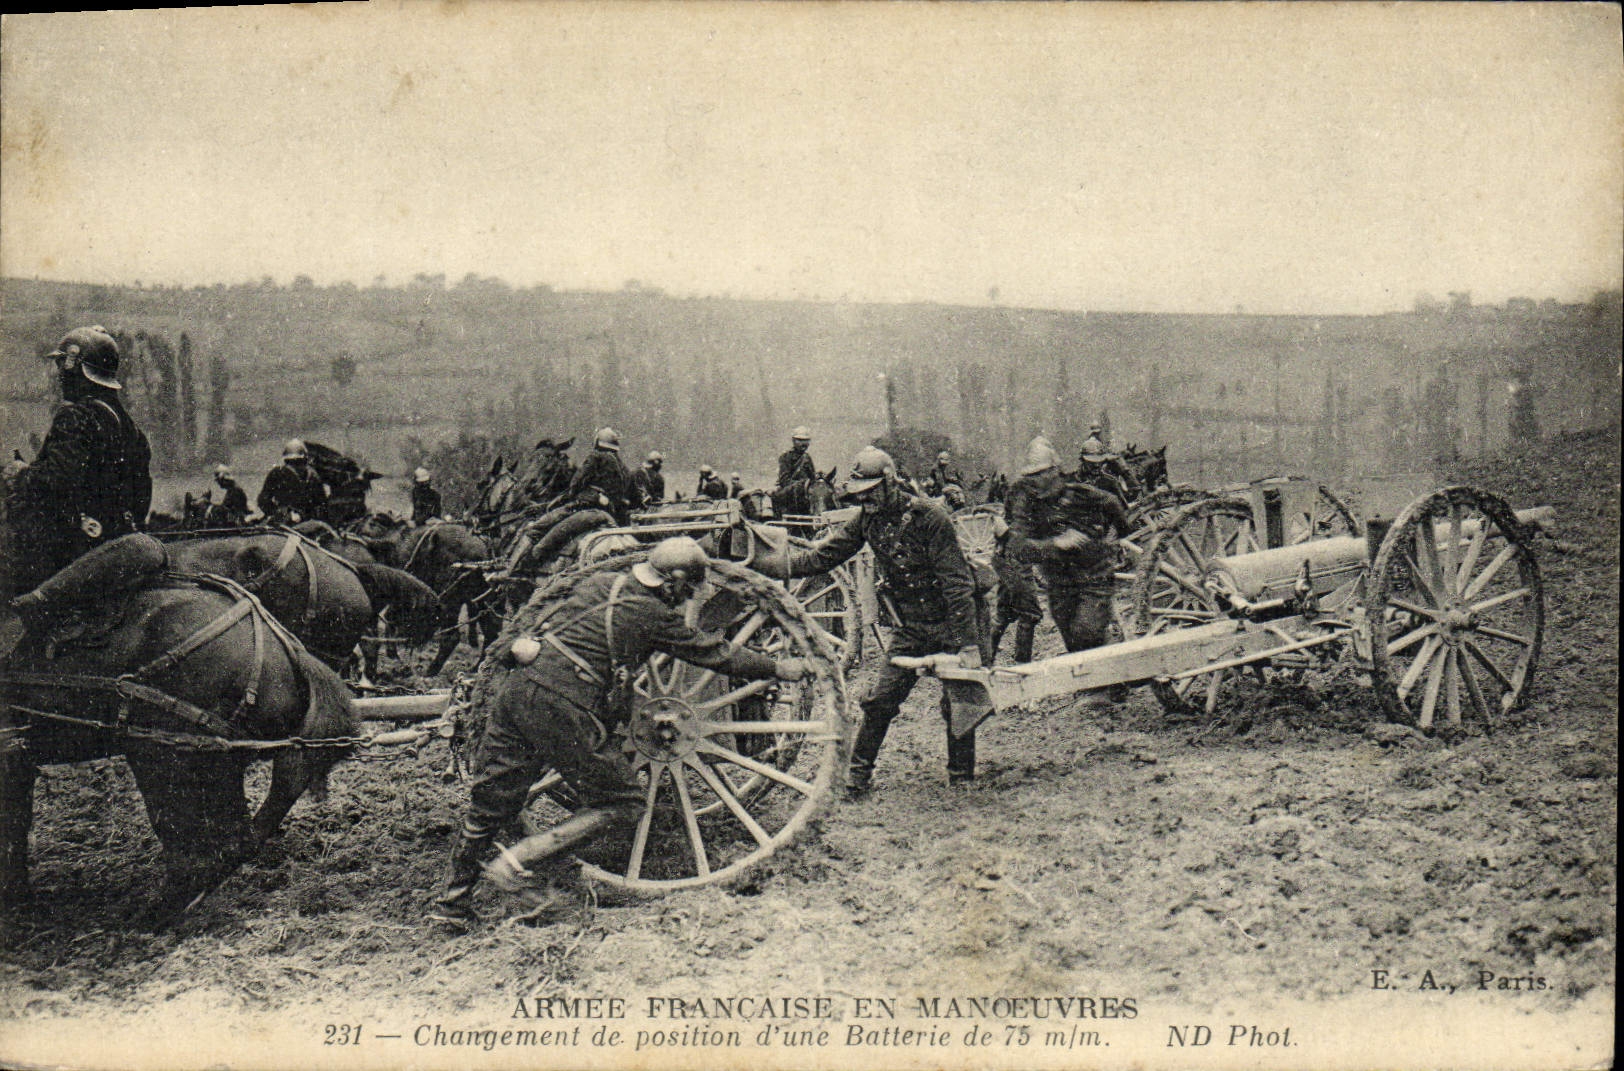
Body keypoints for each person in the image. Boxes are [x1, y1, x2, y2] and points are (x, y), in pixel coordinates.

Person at [429, 537, 808, 926]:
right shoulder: (652, 614)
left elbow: (532, 622)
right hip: (563, 706)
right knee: (623, 801)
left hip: (518, 693)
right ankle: (518, 860)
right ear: (673, 581)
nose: (687, 598)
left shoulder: (599, 582)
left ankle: (451, 904)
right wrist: (777, 668)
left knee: (491, 802)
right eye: (688, 590)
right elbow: (715, 653)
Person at [772, 447, 983, 795]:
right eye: (859, 493)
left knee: (958, 701)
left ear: (889, 483)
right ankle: (856, 778)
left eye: (870, 492)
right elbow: (825, 555)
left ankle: (961, 777)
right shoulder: (867, 519)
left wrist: (969, 645)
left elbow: (957, 584)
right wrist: (776, 565)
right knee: (880, 700)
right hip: (910, 627)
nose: (864, 499)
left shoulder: (930, 517)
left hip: (951, 621)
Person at [3, 326, 153, 602]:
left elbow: (59, 479)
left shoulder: (75, 416)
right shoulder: (129, 426)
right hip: (119, 541)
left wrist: (24, 474)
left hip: (71, 546)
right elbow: (142, 491)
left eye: (63, 366)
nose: (60, 376)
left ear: (78, 368)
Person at [1005, 436, 1131, 693]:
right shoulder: (1026, 505)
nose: (1037, 481)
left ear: (1055, 471)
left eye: (1043, 473)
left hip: (1094, 576)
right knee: (1069, 633)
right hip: (1058, 581)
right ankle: (1099, 684)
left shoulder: (1077, 491)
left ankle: (1116, 681)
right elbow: (1018, 548)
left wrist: (1120, 535)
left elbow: (1112, 502)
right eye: (1032, 475)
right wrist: (1057, 545)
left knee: (1087, 630)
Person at [988, 512, 1042, 665]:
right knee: (1030, 614)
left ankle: (985, 657)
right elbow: (1001, 526)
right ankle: (1022, 663)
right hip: (1014, 559)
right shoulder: (1023, 495)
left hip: (1008, 557)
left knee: (1003, 613)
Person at [567, 427, 640, 524]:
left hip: (594, 514)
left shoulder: (594, 458)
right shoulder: (624, 467)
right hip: (619, 519)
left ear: (597, 442)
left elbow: (575, 484)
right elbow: (636, 499)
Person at [257, 439, 325, 525]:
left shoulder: (278, 473)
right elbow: (263, 501)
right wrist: (284, 514)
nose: (296, 466)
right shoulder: (313, 475)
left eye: (298, 462)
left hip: (298, 522)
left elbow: (263, 501)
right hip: (293, 521)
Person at [775, 426, 816, 492]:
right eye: (800, 440)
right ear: (793, 441)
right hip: (789, 492)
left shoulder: (807, 457)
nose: (803, 443)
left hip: (805, 492)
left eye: (806, 440)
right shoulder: (786, 456)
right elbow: (785, 481)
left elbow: (812, 478)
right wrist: (802, 484)